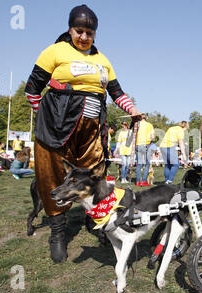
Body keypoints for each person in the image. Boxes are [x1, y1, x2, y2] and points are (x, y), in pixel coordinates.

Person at [24, 4, 140, 263]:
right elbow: (32, 89)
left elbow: (117, 93)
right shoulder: (55, 51)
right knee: (53, 176)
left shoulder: (102, 60)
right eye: (79, 31)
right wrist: (43, 117)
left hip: (92, 128)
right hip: (57, 126)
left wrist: (132, 110)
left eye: (90, 32)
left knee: (96, 174)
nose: (84, 37)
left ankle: (97, 221)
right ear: (70, 29)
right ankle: (57, 233)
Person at [135, 114, 154, 187]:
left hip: (137, 145)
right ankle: (144, 181)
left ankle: (137, 182)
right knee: (147, 164)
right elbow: (152, 137)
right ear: (145, 118)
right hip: (146, 144)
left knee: (139, 164)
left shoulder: (137, 125)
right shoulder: (149, 125)